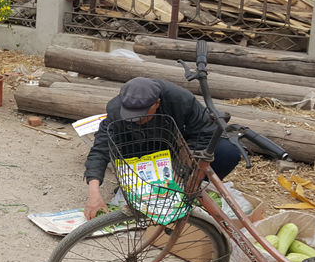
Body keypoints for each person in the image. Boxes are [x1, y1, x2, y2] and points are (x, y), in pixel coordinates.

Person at [82, 77, 242, 219]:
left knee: (228, 151)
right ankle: (138, 187)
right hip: (143, 151)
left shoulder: (180, 99)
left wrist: (181, 170)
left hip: (178, 146)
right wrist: (93, 193)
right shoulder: (115, 109)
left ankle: (192, 188)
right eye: (130, 116)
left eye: (142, 116)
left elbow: (206, 133)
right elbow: (100, 149)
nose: (136, 120)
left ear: (157, 103)